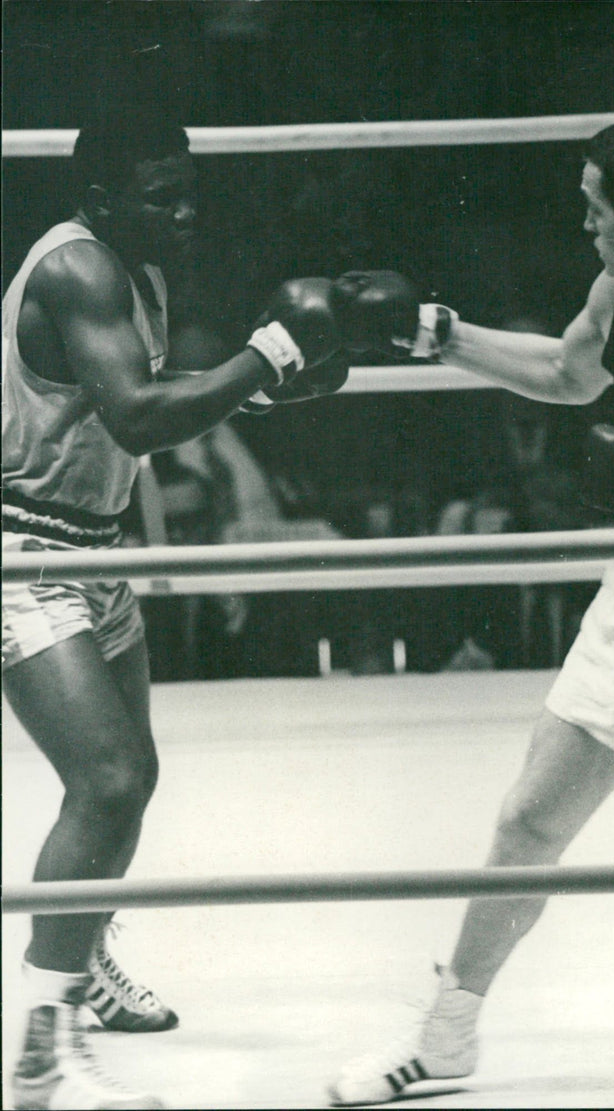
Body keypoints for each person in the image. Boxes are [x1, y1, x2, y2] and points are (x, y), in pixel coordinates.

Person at [325, 114, 614, 1107]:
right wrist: (432, 333)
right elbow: (561, 372)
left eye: (592, 210)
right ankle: (448, 1035)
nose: (580, 227)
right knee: (529, 820)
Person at [1, 102, 389, 1111]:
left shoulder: (137, 268)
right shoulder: (78, 266)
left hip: (93, 540)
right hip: (23, 548)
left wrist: (267, 388)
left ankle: (78, 958)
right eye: (160, 199)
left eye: (188, 195)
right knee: (111, 779)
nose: (182, 216)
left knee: (131, 775)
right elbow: (135, 414)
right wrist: (264, 354)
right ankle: (41, 1056)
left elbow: (138, 387)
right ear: (99, 198)